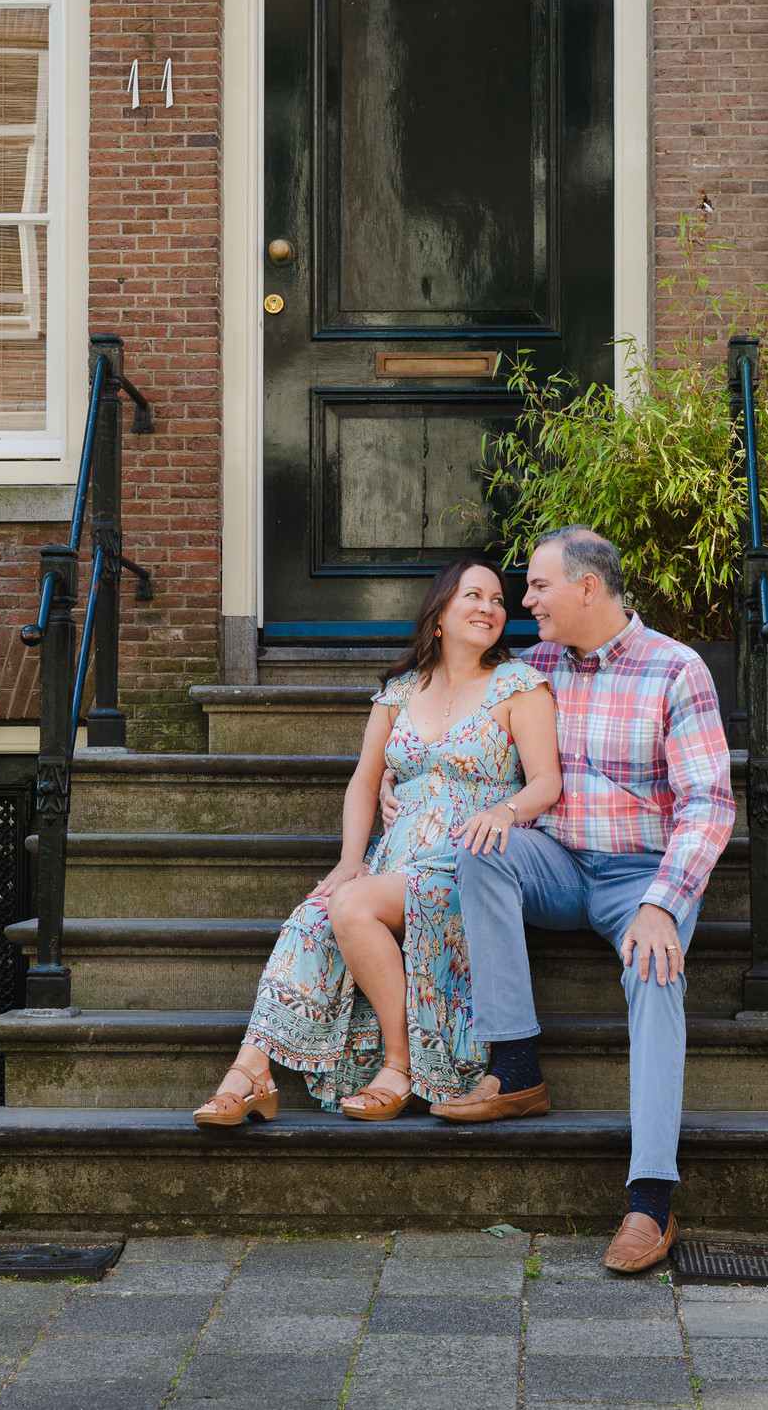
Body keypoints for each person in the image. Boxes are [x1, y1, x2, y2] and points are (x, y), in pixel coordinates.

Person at [382, 527, 734, 1273]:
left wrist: (663, 903)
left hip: (641, 876)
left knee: (655, 972)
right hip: (557, 862)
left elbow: (708, 803)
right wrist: (394, 779)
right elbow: (450, 723)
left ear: (587, 589)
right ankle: (515, 1067)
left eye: (538, 588)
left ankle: (650, 1199)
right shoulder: (529, 669)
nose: (525, 601)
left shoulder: (677, 669)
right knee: (479, 848)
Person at [192, 560, 561, 1126]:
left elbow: (546, 782)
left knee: (352, 904)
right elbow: (365, 780)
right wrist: (348, 861)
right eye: (474, 595)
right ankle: (250, 1073)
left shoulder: (518, 686)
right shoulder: (400, 691)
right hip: (395, 860)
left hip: (464, 866)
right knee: (315, 915)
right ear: (439, 613)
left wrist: (502, 809)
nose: (490, 606)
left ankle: (399, 1064)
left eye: (498, 599)